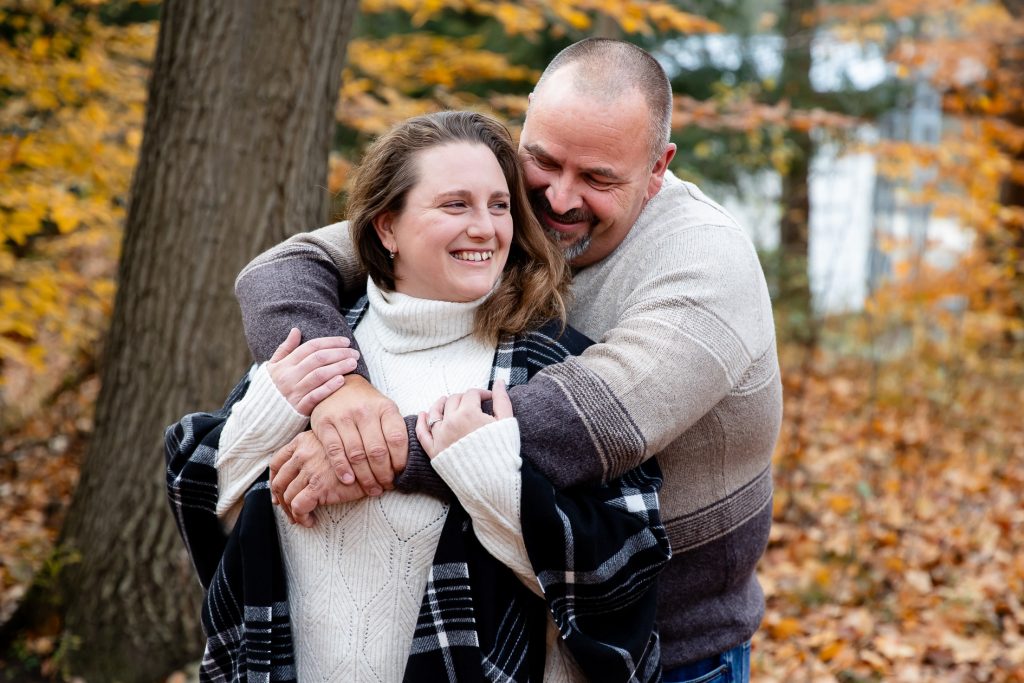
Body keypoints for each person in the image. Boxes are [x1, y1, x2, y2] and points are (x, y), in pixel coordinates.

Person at [236, 38, 782, 683]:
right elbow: (284, 270)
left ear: (658, 167)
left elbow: (589, 423)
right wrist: (341, 389)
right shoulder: (501, 206)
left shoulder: (706, 264)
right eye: (543, 161)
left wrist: (372, 453)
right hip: (525, 637)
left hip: (677, 645)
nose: (558, 198)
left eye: (599, 179)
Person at [165, 110, 670, 682]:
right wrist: (264, 419)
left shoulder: (551, 367)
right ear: (387, 227)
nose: (485, 228)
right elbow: (214, 528)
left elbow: (626, 579)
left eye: (499, 205)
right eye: (455, 205)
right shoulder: (316, 350)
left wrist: (491, 482)